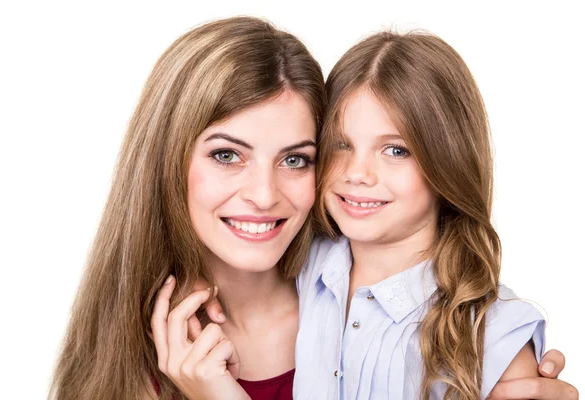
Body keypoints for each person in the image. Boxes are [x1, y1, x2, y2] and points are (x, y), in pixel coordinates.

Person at [171, 29, 579, 400]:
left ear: (447, 163)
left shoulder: (489, 331)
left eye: (396, 150)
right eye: (341, 145)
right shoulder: (310, 267)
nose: (357, 174)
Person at [48, 16, 325, 400]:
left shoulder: (365, 319)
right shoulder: (123, 355)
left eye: (294, 160)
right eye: (227, 155)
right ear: (166, 162)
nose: (264, 196)